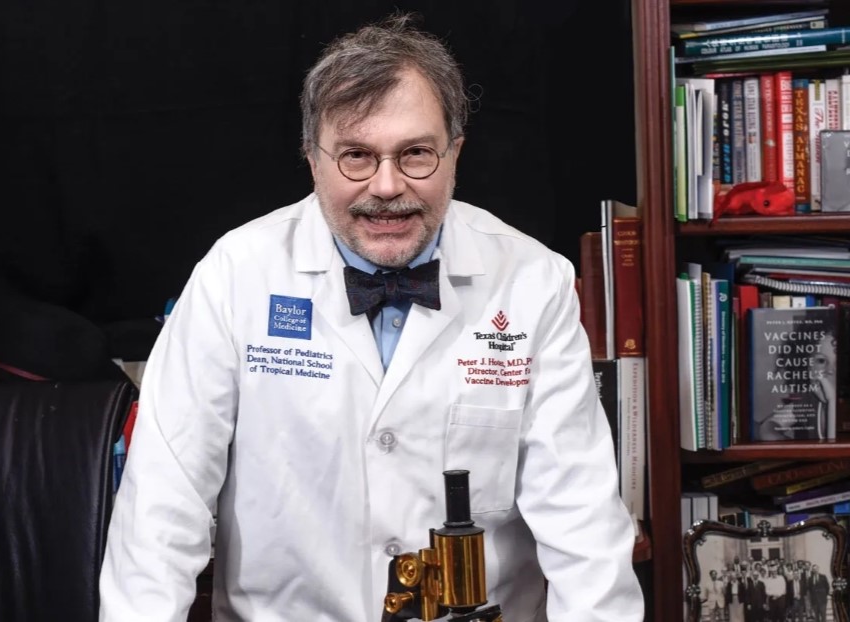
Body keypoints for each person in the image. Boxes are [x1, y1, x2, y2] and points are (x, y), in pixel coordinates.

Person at [98, 13, 643, 621]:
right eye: (356, 155)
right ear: (312, 157)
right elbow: (159, 516)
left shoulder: (534, 282)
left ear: (455, 153)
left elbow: (585, 530)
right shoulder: (235, 276)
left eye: (415, 154)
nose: (386, 186)